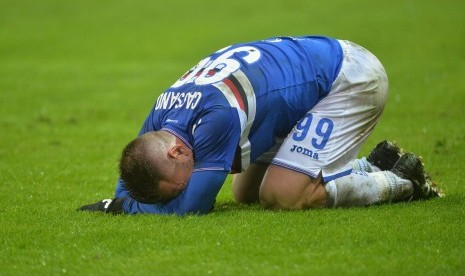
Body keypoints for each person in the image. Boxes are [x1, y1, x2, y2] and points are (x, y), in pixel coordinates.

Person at [78, 35, 441, 215]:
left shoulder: (214, 118)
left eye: (177, 185)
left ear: (175, 150)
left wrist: (123, 208)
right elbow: (132, 172)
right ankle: (369, 163)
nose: (183, 189)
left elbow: (194, 206)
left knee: (282, 195)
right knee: (245, 193)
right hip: (304, 79)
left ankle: (402, 182)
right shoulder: (161, 114)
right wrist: (119, 199)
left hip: (348, 78)